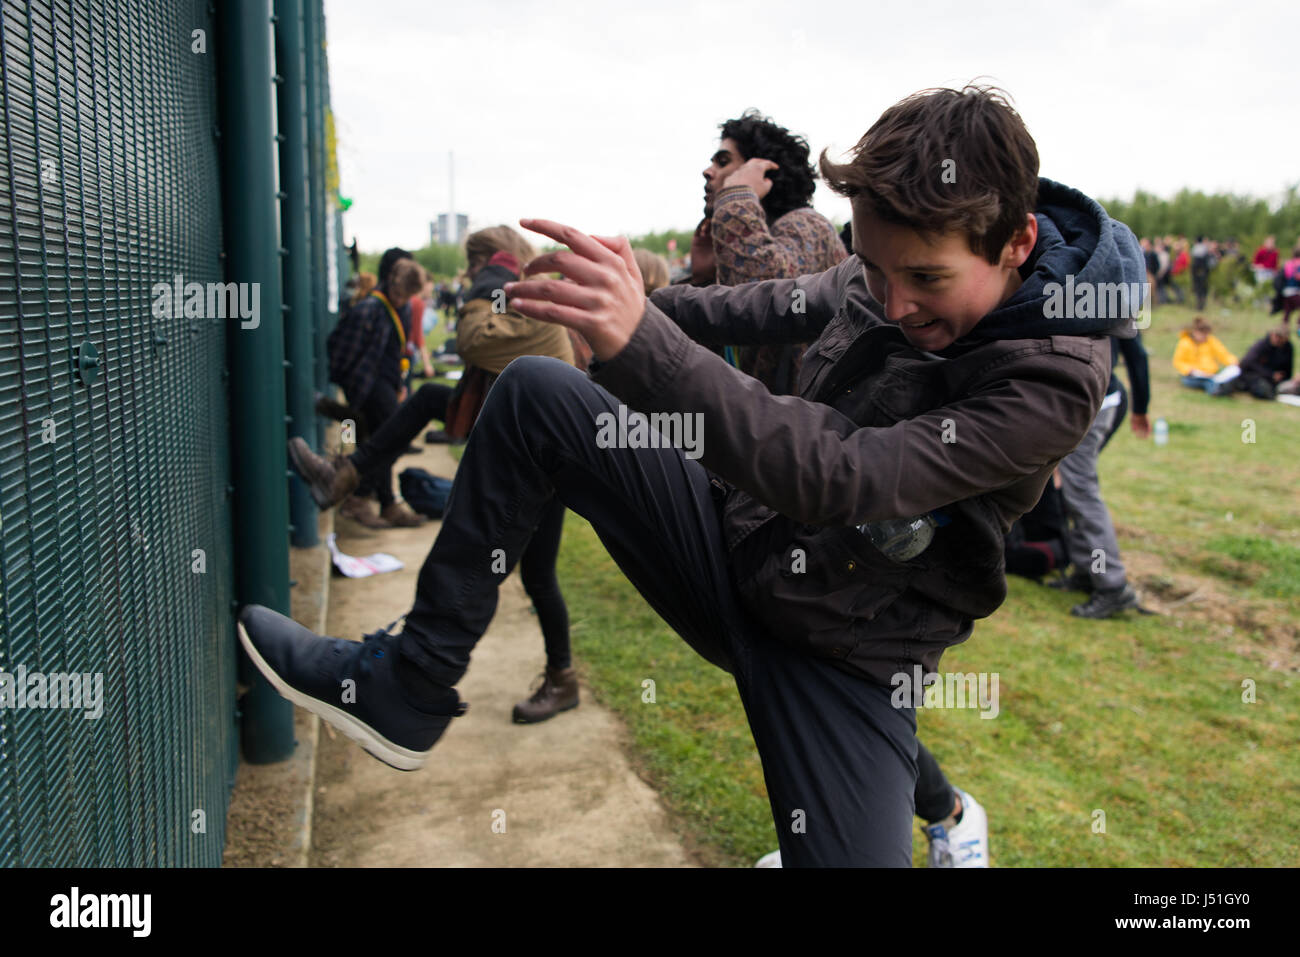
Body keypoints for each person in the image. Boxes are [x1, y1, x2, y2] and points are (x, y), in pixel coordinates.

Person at [237, 84, 1139, 866]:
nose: (895, 304)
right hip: (732, 547)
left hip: (847, 657)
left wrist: (646, 344)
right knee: (540, 391)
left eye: (928, 280)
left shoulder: (1052, 373)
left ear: (1016, 242)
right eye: (874, 268)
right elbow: (754, 303)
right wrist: (628, 297)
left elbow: (845, 473)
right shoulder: (886, 271)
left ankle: (941, 815)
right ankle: (408, 685)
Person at [295, 225, 585, 725]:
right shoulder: (518, 296)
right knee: (514, 570)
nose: (472, 275)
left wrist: (487, 285)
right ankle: (345, 476)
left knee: (522, 573)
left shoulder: (534, 303)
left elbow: (473, 342)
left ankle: (536, 678)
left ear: (493, 262)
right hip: (528, 442)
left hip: (543, 458)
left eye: (477, 266)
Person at [688, 110, 846, 394]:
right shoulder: (768, 235)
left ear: (763, 172)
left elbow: (757, 298)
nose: (708, 171)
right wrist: (703, 280)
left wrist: (736, 196)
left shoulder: (809, 225)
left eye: (723, 161)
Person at [1047, 329, 1150, 617]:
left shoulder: (1099, 291)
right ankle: (1087, 570)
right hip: (1095, 397)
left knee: (1082, 493)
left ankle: (1112, 586)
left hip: (1091, 402)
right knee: (1072, 486)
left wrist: (1141, 407)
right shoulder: (1107, 289)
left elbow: (1136, 354)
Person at [325, 256, 428, 527]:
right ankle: (363, 496)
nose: (401, 300)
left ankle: (382, 500)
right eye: (398, 294)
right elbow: (341, 353)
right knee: (388, 441)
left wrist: (398, 386)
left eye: (407, 297)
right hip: (368, 385)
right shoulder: (368, 309)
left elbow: (398, 352)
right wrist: (353, 385)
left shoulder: (402, 308)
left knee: (382, 441)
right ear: (390, 283)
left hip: (387, 384)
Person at [1173, 316, 1238, 396]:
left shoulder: (1211, 341)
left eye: (1206, 335)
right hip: (1192, 376)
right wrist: (1190, 370)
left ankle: (1222, 388)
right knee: (1207, 382)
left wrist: (1233, 362)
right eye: (1203, 335)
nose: (1205, 337)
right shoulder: (1185, 343)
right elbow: (1178, 361)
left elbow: (1223, 354)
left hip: (1211, 374)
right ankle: (1216, 391)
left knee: (1218, 378)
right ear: (1195, 332)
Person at [1235, 326, 1294, 399]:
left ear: (1286, 339)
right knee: (1262, 388)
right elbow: (1247, 363)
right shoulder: (1261, 345)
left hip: (1277, 381)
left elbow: (1288, 369)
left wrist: (1283, 377)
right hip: (1256, 376)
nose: (1277, 339)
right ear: (1272, 334)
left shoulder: (1288, 348)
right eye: (1276, 336)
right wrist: (1270, 375)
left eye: (1280, 337)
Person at [1189, 236, 1217, 311]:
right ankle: (1202, 304)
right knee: (1203, 288)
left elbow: (1193, 262)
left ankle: (1199, 304)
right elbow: (1212, 263)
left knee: (1198, 288)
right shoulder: (1206, 249)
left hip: (1196, 271)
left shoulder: (1194, 249)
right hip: (1204, 271)